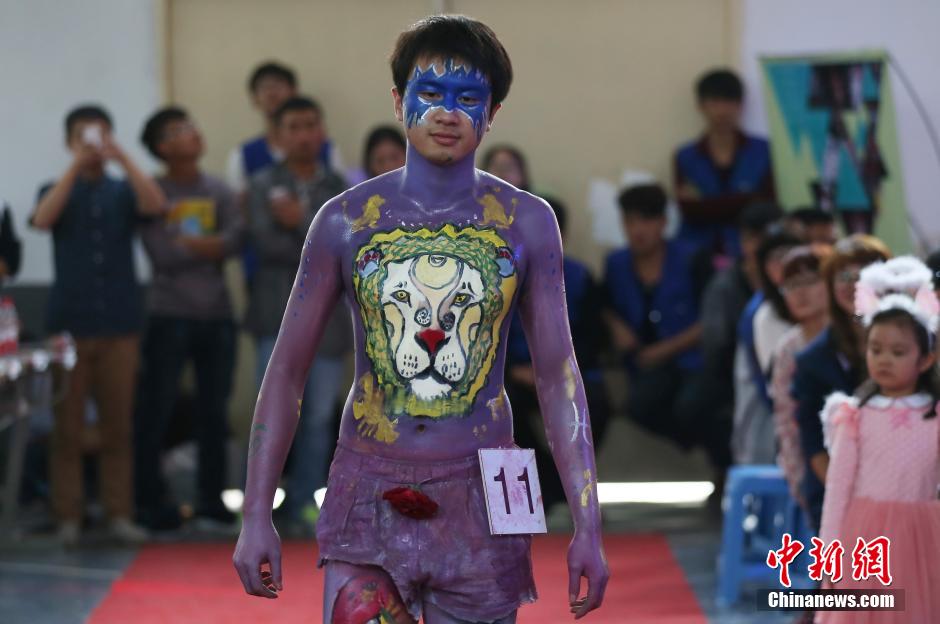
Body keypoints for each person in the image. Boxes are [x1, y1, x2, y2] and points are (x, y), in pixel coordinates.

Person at [233, 15, 608, 622]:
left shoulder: (528, 222)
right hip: (368, 482)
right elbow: (285, 373)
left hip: (489, 483)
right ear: (398, 99)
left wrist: (588, 524)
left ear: (493, 112)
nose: (447, 112)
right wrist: (256, 513)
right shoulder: (345, 221)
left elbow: (558, 376)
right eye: (430, 92)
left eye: (469, 98)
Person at [30, 104, 166, 546]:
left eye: (100, 136)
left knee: (118, 427)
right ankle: (68, 517)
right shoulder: (55, 188)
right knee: (66, 428)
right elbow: (42, 219)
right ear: (69, 142)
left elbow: (156, 204)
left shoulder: (122, 189)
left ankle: (118, 514)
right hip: (68, 326)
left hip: (120, 323)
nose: (92, 146)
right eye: (83, 138)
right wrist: (75, 165)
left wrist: (121, 157)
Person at [244, 95, 350, 535]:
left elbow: (343, 249)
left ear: (322, 131)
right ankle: (260, 509)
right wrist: (311, 233)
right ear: (279, 135)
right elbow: (264, 244)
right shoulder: (260, 184)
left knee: (320, 418)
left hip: (328, 325)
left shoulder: (340, 187)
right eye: (294, 127)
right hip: (275, 316)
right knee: (271, 416)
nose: (304, 135)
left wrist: (299, 220)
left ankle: (306, 500)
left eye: (310, 125)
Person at [134, 106, 244, 530]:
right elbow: (162, 253)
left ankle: (211, 501)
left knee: (213, 412)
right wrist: (206, 246)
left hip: (217, 315)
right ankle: (150, 502)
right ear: (162, 147)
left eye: (192, 125)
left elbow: (234, 241)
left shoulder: (217, 188)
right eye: (179, 130)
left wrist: (189, 243)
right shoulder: (153, 193)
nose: (193, 132)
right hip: (168, 314)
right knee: (156, 410)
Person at [817, 256, 940, 623]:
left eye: (898, 352)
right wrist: (829, 555)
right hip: (864, 537)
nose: (884, 359)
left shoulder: (935, 415)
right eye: (876, 349)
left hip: (922, 537)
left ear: (925, 360)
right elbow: (838, 488)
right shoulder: (854, 415)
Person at [604, 184, 729, 479]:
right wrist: (615, 324)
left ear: (662, 222)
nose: (638, 230)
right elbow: (602, 303)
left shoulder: (693, 257)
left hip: (695, 359)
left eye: (646, 220)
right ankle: (700, 447)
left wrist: (663, 351)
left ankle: (724, 464)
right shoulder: (616, 263)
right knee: (638, 406)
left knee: (693, 406)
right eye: (630, 221)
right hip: (647, 365)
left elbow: (711, 319)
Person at [503, 195, 610, 514]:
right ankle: (545, 492)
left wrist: (557, 373)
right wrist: (514, 370)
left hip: (568, 374)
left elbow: (593, 337)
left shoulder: (579, 276)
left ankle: (563, 491)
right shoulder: (501, 274)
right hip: (514, 375)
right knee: (500, 412)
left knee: (596, 406)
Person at [792, 234, 890, 529]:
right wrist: (853, 494)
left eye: (864, 274)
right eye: (843, 277)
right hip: (841, 490)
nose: (854, 284)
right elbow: (814, 446)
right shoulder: (813, 360)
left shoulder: (920, 342)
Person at [674, 68, 775, 263]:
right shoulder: (685, 157)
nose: (722, 111)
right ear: (700, 106)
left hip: (748, 252)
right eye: (714, 102)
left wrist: (708, 204)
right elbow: (690, 211)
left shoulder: (762, 151)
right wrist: (745, 200)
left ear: (740, 105)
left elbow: (766, 206)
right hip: (697, 254)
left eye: (729, 102)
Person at [731, 229, 801, 464]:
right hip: (778, 414)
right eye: (775, 258)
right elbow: (773, 384)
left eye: (790, 254)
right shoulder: (763, 314)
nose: (784, 264)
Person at [769, 245, 832, 507]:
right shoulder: (787, 349)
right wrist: (798, 477)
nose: (800, 292)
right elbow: (786, 418)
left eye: (810, 281)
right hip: (810, 457)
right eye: (791, 285)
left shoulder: (850, 337)